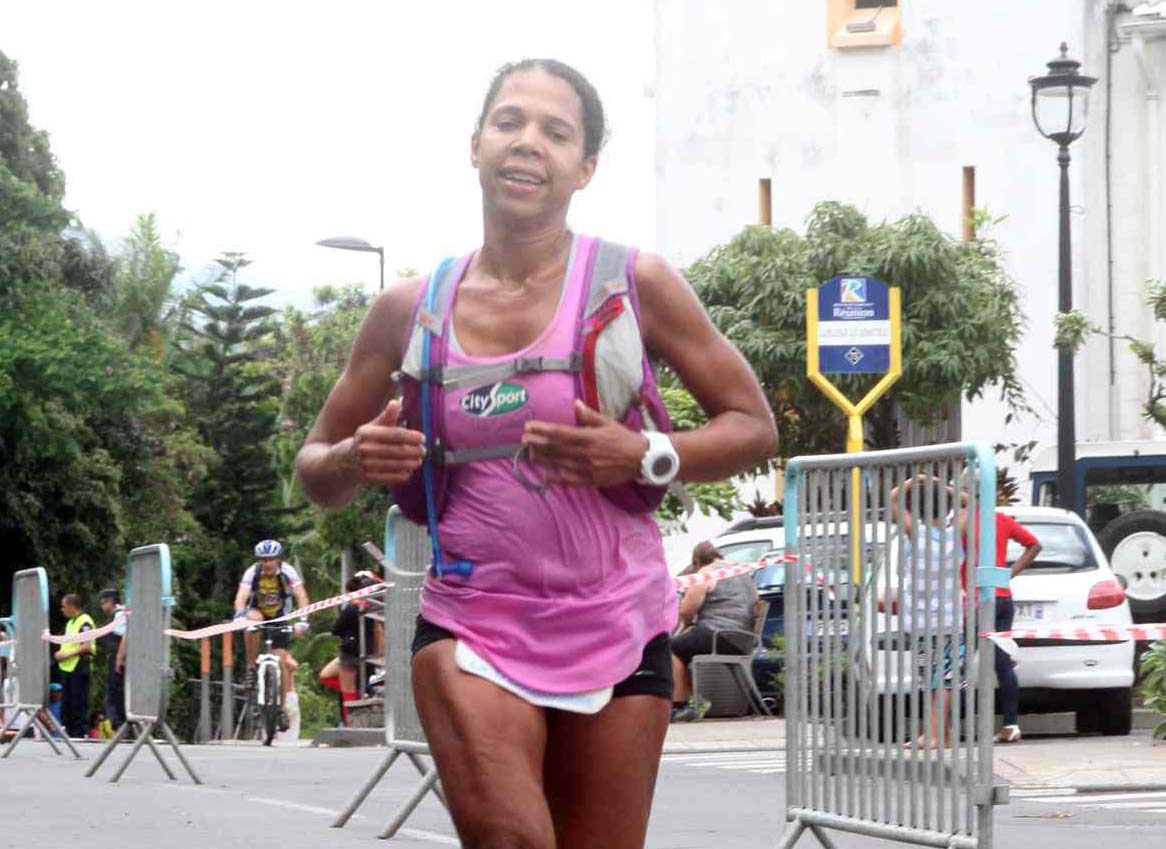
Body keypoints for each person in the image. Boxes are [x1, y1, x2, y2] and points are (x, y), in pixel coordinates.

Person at [294, 58, 776, 849]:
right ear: (476, 144)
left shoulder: (634, 283)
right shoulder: (408, 309)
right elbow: (314, 466)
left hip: (620, 624)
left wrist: (642, 452)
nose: (528, 143)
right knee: (511, 838)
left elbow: (752, 424)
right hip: (470, 622)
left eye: (557, 132)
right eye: (509, 121)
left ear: (585, 168)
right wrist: (354, 455)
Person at [890, 474, 967, 750]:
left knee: (930, 679)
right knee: (946, 679)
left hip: (920, 621)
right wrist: (944, 487)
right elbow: (973, 504)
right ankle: (938, 734)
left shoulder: (915, 533)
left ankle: (934, 734)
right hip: (950, 619)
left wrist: (915, 481)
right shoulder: (955, 532)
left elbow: (894, 497)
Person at [670, 541, 759, 721]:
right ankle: (695, 701)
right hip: (743, 639)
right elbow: (755, 600)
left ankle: (680, 705)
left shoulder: (705, 573)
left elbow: (687, 610)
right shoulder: (742, 572)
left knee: (669, 647)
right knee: (685, 646)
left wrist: (685, 625)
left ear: (697, 562)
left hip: (718, 634)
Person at [231, 540, 310, 736]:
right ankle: (251, 667)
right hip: (258, 612)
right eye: (263, 559)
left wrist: (302, 620)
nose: (267, 563)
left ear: (279, 559)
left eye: (271, 559)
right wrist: (240, 613)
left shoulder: (288, 571)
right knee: (251, 622)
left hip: (281, 616)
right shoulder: (252, 572)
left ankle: (281, 708)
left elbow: (302, 596)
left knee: (281, 659)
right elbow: (241, 596)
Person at [987, 512, 1042, 743]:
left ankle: (945, 726)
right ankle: (1011, 724)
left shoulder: (962, 520)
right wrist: (1009, 572)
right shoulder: (1000, 519)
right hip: (1002, 597)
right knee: (1003, 663)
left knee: (958, 664)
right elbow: (1035, 545)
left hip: (973, 597)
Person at [320, 571, 383, 725]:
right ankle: (359, 698)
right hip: (372, 655)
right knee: (329, 677)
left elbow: (336, 629)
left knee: (349, 693)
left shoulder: (353, 609)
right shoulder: (378, 608)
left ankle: (350, 724)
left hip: (351, 653)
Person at [54, 593, 96, 739]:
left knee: (78, 704)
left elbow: (86, 646)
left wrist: (65, 655)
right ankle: (69, 734)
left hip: (79, 667)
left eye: (64, 606)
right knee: (67, 706)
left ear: (72, 606)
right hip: (67, 669)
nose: (62, 609)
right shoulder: (70, 623)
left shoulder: (85, 621)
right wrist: (60, 654)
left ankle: (79, 735)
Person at [97, 588, 127, 730]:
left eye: (103, 603)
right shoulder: (118, 614)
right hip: (115, 657)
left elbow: (124, 638)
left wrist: (119, 658)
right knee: (113, 692)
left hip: (118, 658)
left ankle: (121, 724)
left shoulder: (120, 615)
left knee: (117, 692)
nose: (102, 607)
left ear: (110, 601)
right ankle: (119, 723)